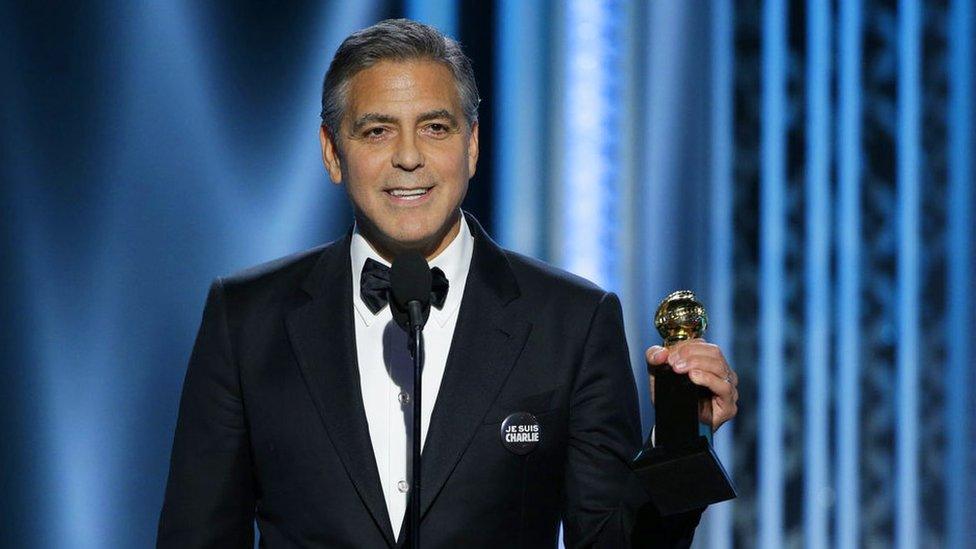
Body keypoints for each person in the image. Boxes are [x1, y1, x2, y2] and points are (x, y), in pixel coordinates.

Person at [157, 18, 739, 548]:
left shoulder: (572, 322)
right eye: (377, 131)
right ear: (333, 153)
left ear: (472, 145)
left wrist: (678, 440)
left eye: (435, 128)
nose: (408, 157)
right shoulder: (247, 320)